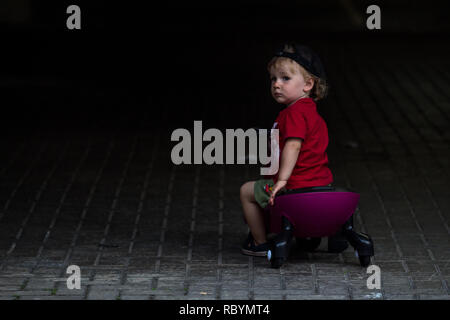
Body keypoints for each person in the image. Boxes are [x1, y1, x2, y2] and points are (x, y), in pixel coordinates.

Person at [240, 43, 333, 256]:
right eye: (273, 79)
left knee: (246, 191)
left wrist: (282, 180)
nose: (276, 85)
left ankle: (259, 242)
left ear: (308, 84)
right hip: (319, 183)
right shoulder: (310, 112)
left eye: (285, 78)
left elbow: (293, 145)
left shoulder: (292, 114)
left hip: (293, 186)